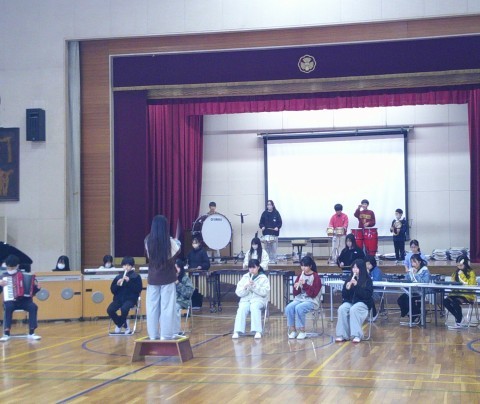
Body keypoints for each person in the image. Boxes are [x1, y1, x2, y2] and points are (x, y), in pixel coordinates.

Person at [144, 215, 181, 340]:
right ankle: (166, 335)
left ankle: (153, 335)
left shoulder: (147, 241)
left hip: (153, 279)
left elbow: (150, 256)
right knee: (167, 307)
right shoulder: (169, 242)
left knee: (152, 307)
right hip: (168, 279)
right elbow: (177, 251)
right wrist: (176, 242)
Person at [0, 255, 41, 341]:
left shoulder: (25, 275)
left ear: (17, 266)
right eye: (8, 268)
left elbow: (31, 292)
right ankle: (6, 333)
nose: (10, 270)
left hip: (24, 301)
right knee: (8, 307)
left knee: (33, 307)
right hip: (11, 301)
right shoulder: (3, 276)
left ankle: (32, 332)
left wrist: (37, 288)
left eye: (12, 268)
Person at [335, 259, 373, 343]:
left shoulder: (367, 280)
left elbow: (367, 295)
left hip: (363, 302)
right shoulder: (349, 279)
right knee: (342, 309)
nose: (355, 270)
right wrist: (347, 288)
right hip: (351, 302)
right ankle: (342, 335)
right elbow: (344, 296)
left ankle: (357, 335)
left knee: (354, 309)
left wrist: (356, 285)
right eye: (353, 268)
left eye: (357, 268)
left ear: (361, 268)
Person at [232, 259, 270, 339]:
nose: (251, 270)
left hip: (259, 300)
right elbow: (238, 292)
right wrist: (245, 287)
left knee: (254, 307)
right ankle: (237, 331)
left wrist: (255, 286)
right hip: (246, 300)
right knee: (242, 308)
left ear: (258, 267)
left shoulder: (263, 278)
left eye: (254, 267)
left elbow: (265, 292)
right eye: (250, 268)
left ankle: (257, 331)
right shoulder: (245, 277)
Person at [285, 256, 322, 340]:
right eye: (302, 266)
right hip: (300, 299)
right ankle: (293, 330)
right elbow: (295, 294)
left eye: (305, 266)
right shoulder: (300, 276)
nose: (303, 268)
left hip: (312, 300)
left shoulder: (316, 277)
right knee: (289, 308)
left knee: (299, 308)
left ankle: (302, 331)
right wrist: (296, 287)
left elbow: (313, 294)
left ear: (310, 266)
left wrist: (305, 284)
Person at [106, 256, 142, 334]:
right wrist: (117, 284)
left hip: (130, 299)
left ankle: (120, 324)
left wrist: (129, 282)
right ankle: (122, 324)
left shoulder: (136, 276)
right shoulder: (118, 277)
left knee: (124, 308)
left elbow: (138, 289)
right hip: (118, 299)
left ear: (132, 266)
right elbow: (113, 290)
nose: (126, 267)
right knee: (110, 310)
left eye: (128, 265)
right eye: (125, 265)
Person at [444, 255, 477, 329]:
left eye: (461, 265)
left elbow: (470, 285)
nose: (459, 267)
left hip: (467, 294)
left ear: (465, 264)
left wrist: (462, 275)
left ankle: (459, 321)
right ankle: (459, 317)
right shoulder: (456, 272)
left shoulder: (471, 272)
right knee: (445, 301)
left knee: (455, 302)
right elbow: (453, 283)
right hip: (457, 293)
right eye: (457, 265)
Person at [397, 253, 430, 324]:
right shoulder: (411, 269)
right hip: (411, 291)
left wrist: (416, 275)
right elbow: (407, 280)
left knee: (408, 300)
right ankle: (414, 313)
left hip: (420, 291)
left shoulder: (425, 270)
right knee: (400, 300)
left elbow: (425, 282)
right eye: (411, 262)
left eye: (414, 262)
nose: (413, 264)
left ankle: (415, 314)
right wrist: (408, 275)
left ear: (419, 262)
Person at [174, 259, 194, 335]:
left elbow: (188, 293)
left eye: (177, 267)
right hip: (171, 300)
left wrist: (178, 283)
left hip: (182, 301)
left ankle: (176, 331)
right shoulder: (169, 278)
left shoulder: (185, 278)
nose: (176, 270)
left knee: (175, 307)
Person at [365, 255, 384, 321]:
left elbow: (375, 282)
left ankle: (374, 313)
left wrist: (367, 276)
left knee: (368, 296)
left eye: (369, 264)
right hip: (368, 290)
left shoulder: (377, 271)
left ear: (372, 263)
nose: (367, 266)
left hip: (377, 291)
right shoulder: (365, 271)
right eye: (366, 264)